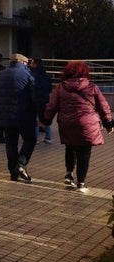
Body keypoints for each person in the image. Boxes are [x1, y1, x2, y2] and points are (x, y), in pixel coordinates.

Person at [42, 60, 113, 193]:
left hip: (67, 123)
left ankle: (69, 174)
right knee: (84, 153)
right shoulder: (92, 87)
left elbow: (52, 106)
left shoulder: (60, 87)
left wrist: (46, 120)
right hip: (87, 124)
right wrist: (108, 123)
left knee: (70, 146)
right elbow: (103, 106)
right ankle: (81, 183)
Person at [0, 53, 37, 182]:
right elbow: (34, 98)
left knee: (11, 143)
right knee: (30, 140)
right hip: (25, 117)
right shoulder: (28, 76)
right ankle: (21, 164)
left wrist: (0, 110)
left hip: (5, 117)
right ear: (22, 63)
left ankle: (13, 172)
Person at [29, 58, 53, 144]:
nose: (30, 65)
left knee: (35, 119)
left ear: (35, 64)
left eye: (31, 63)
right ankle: (48, 137)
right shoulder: (46, 75)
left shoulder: (32, 75)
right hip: (45, 99)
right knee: (46, 119)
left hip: (35, 99)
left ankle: (35, 139)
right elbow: (50, 89)